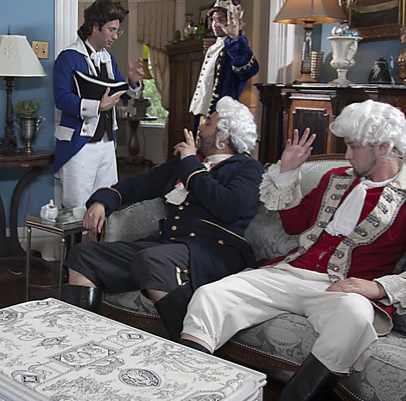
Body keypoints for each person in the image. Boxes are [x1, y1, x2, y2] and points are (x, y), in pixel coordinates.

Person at [179, 100, 406, 401]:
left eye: (354, 147)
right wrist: (288, 171)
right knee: (211, 295)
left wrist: (378, 287)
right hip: (289, 272)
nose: (347, 156)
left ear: (384, 147)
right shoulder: (335, 179)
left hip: (340, 290)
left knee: (356, 317)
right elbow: (295, 224)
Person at [61, 96, 263, 340]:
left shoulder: (247, 168)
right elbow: (139, 185)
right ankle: (82, 338)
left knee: (153, 260)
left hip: (214, 252)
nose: (200, 127)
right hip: (169, 247)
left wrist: (191, 165)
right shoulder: (187, 163)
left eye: (208, 123)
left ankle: (191, 346)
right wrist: (102, 201)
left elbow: (229, 206)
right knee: (83, 255)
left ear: (223, 136)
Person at [53, 0, 145, 209]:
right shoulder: (68, 57)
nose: (115, 36)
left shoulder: (108, 59)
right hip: (79, 144)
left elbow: (120, 93)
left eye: (117, 31)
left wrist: (132, 81)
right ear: (95, 27)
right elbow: (61, 98)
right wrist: (97, 107)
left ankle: (101, 234)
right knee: (77, 207)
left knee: (106, 203)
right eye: (111, 30)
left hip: (107, 143)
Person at [189, 0, 259, 123]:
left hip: (221, 118)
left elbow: (249, 70)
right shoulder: (213, 47)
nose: (215, 24)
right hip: (202, 114)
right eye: (213, 20)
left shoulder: (236, 47)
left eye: (221, 20)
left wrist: (235, 38)